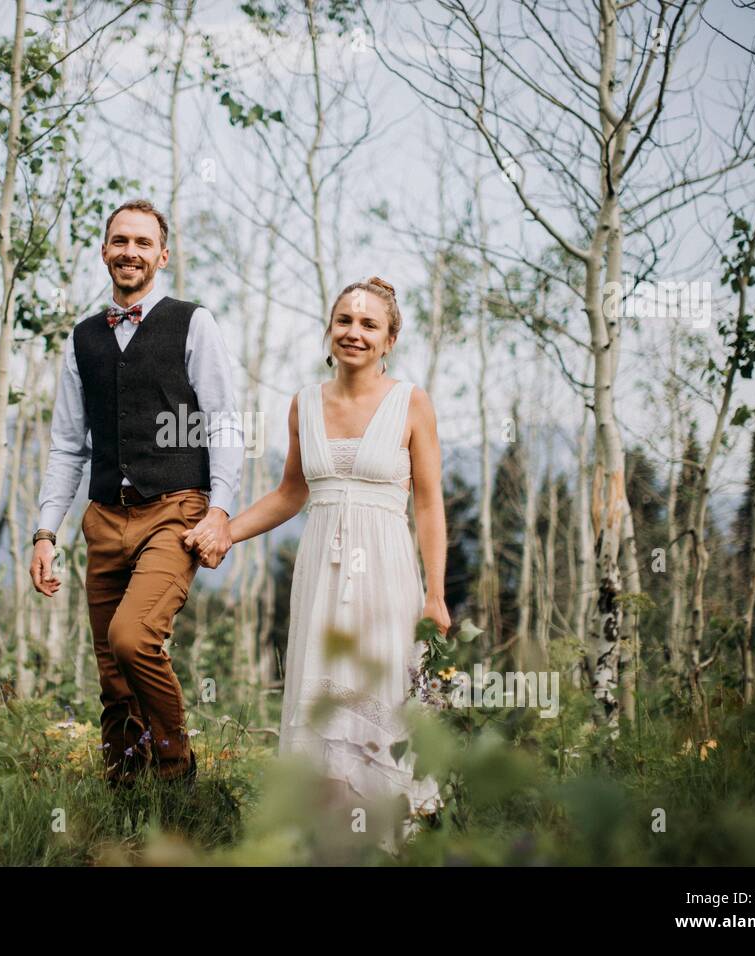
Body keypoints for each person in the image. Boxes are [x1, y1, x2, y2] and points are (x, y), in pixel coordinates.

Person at [190, 276, 449, 839]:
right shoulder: (305, 403)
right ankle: (328, 835)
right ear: (330, 330)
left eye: (369, 325)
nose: (354, 333)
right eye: (345, 321)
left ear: (389, 339)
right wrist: (225, 533)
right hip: (323, 577)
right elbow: (291, 492)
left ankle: (393, 835)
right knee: (325, 696)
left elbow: (429, 502)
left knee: (383, 694)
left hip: (387, 574)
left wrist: (435, 592)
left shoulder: (412, 403)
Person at [30, 199, 241, 788]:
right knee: (111, 672)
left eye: (143, 243)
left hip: (176, 511)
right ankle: (124, 795)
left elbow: (224, 422)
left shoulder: (192, 323)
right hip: (103, 517)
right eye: (120, 241)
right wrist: (46, 533)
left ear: (162, 255)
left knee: (134, 636)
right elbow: (67, 444)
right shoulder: (82, 340)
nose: (130, 251)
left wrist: (219, 510)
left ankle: (177, 774)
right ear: (104, 252)